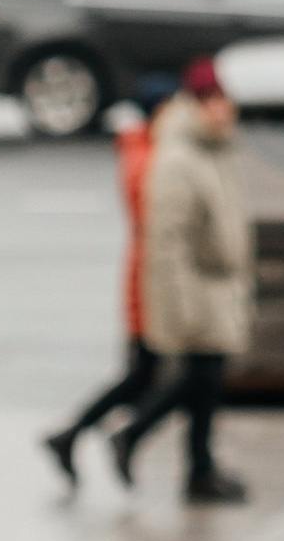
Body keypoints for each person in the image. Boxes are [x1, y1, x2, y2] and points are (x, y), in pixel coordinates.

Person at [113, 58, 253, 505]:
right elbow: (167, 242)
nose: (225, 109)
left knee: (206, 384)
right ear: (197, 104)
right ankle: (140, 438)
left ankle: (198, 467)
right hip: (197, 291)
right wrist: (181, 307)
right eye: (215, 100)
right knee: (199, 380)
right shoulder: (178, 157)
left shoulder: (212, 149)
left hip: (216, 288)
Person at [43, 73, 173, 486]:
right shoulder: (146, 158)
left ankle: (73, 435)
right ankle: (95, 435)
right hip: (150, 282)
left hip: (150, 278)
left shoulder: (145, 150)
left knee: (144, 376)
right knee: (156, 376)